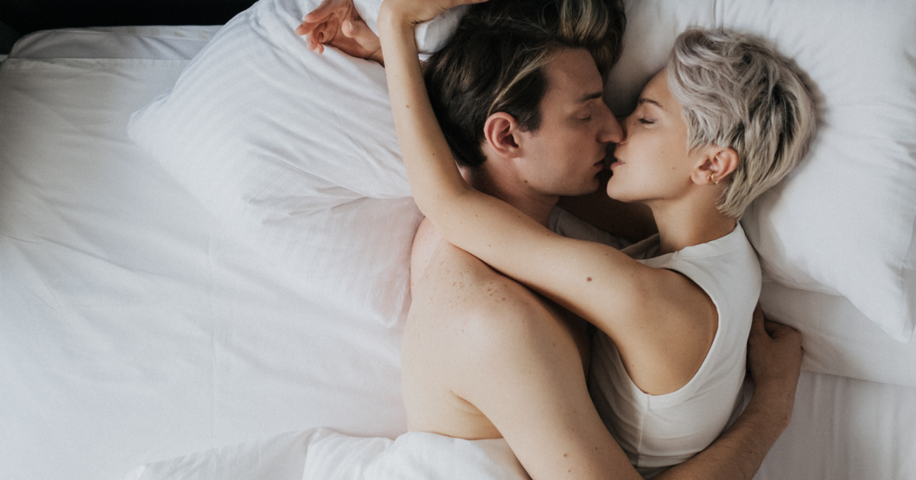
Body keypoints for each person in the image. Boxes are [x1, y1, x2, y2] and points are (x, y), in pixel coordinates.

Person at [299, 0, 808, 479]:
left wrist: (397, 29)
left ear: (712, 164)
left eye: (645, 118)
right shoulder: (719, 245)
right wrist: (398, 55)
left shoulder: (638, 285)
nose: (616, 130)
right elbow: (476, 180)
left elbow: (455, 199)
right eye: (590, 112)